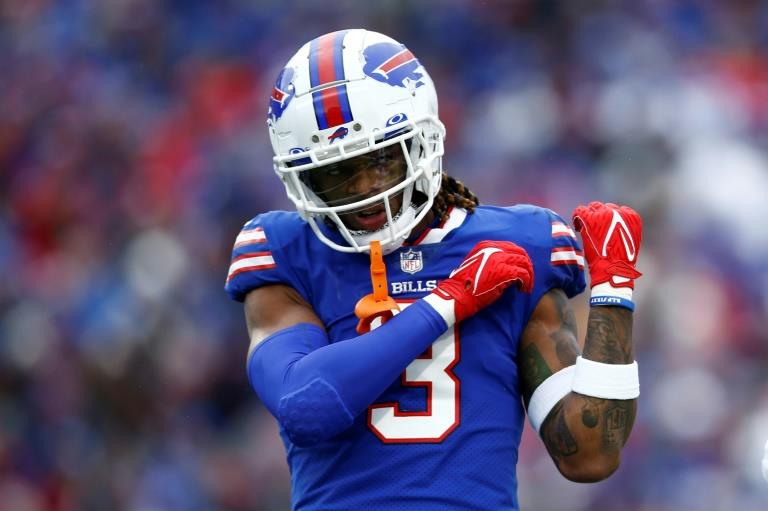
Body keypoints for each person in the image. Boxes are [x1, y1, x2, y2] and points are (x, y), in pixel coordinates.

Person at [225, 29, 643, 511]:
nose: (363, 190)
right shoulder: (287, 251)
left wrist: (614, 290)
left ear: (422, 140)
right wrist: (447, 302)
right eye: (334, 173)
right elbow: (307, 406)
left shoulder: (517, 245)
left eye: (381, 160)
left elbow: (589, 455)